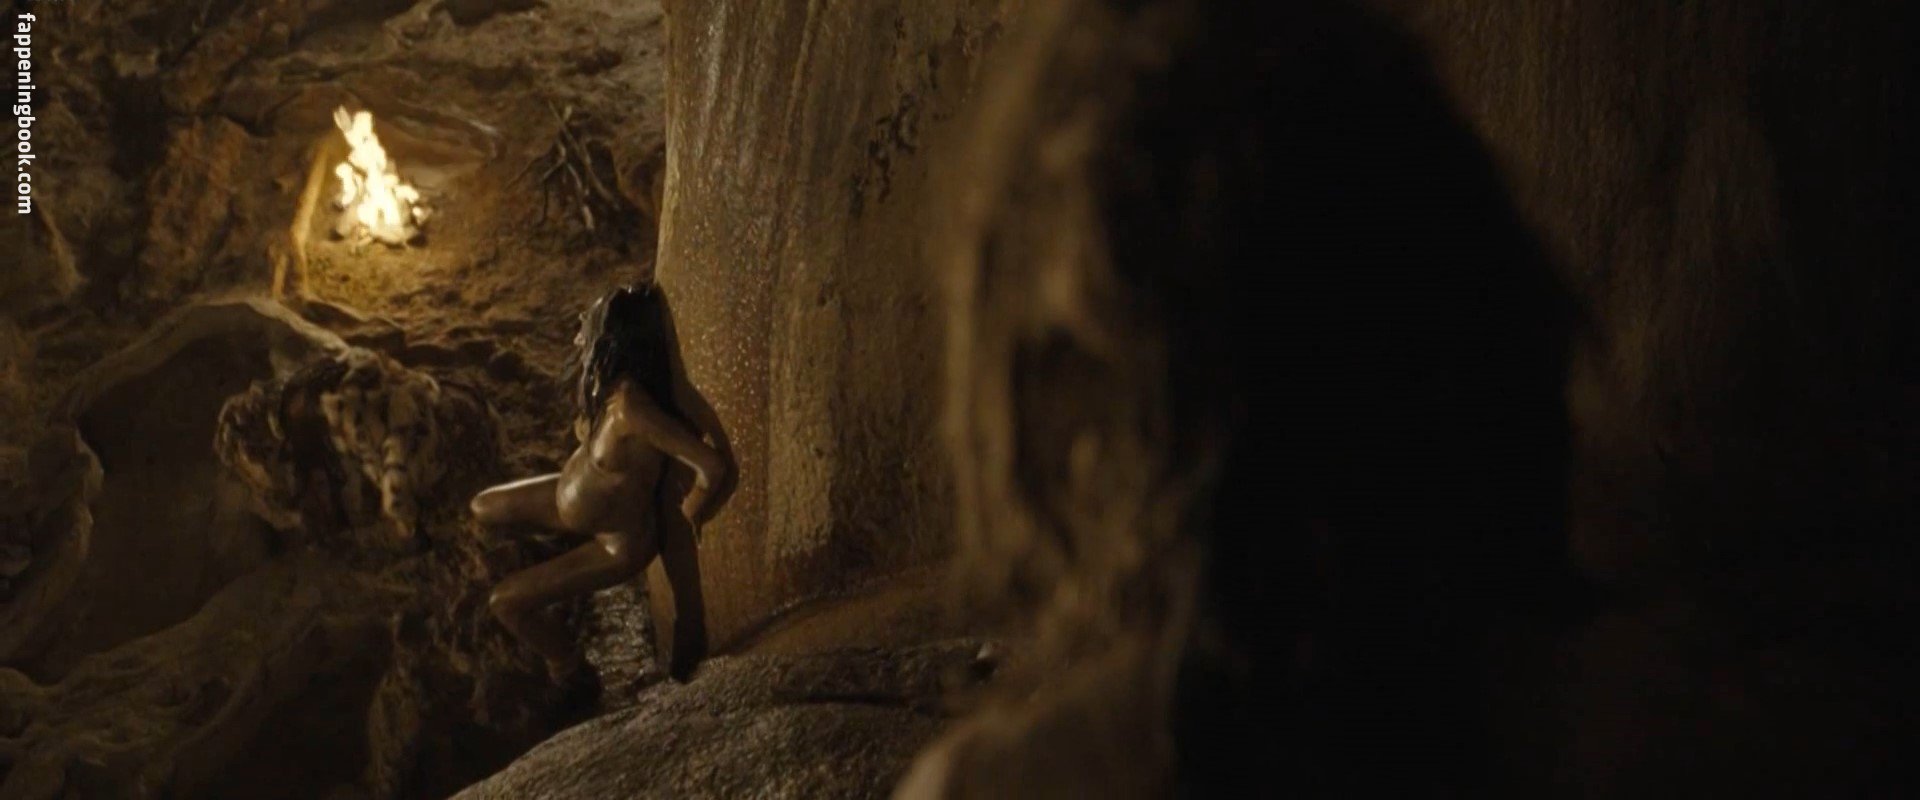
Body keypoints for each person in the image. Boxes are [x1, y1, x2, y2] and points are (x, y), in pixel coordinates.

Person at [469, 283, 729, 689]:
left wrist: (690, 511)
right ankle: (555, 575)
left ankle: (568, 667)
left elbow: (710, 466)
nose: (581, 323)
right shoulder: (607, 387)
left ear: (616, 342)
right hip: (569, 498)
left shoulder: (631, 410)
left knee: (504, 602)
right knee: (482, 506)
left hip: (615, 542)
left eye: (591, 321)